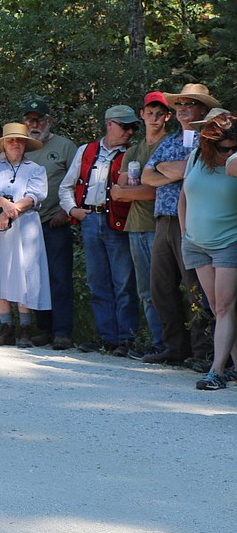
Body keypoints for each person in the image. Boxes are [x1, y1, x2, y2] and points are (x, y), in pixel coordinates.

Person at [139, 83, 218, 367]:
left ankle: (203, 351)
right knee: (161, 286)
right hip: (163, 220)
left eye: (189, 105)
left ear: (203, 109)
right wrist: (173, 170)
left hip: (194, 221)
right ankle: (174, 347)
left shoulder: (210, 139)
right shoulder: (170, 141)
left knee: (196, 286)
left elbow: (190, 170)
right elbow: (148, 175)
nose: (182, 110)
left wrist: (167, 168)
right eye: (179, 105)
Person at [58, 106, 141, 355]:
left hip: (118, 222)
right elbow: (65, 187)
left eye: (132, 127)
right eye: (125, 126)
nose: (129, 132)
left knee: (124, 282)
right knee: (98, 282)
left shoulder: (133, 154)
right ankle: (107, 337)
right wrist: (74, 211)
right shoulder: (86, 150)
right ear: (109, 125)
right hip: (90, 220)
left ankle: (127, 338)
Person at [0, 123, 50, 346]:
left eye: (20, 140)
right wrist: (5, 204)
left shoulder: (36, 169)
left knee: (24, 271)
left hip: (25, 225)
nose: (15, 144)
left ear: (25, 144)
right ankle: (6, 326)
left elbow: (35, 195)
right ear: (3, 143)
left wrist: (10, 211)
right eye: (11, 140)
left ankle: (25, 327)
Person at [111, 92, 170, 359]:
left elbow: (154, 193)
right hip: (135, 225)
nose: (154, 118)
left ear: (167, 116)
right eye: (150, 112)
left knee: (164, 288)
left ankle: (174, 345)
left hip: (162, 224)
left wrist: (130, 191)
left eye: (160, 113)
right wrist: (135, 189)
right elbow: (117, 190)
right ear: (142, 114)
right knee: (145, 290)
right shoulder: (134, 150)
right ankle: (158, 343)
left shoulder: (170, 145)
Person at [182, 112, 237, 389]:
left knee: (226, 306)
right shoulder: (195, 158)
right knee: (217, 307)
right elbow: (183, 198)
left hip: (228, 243)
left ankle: (216, 371)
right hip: (196, 244)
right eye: (222, 147)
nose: (228, 151)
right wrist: (184, 235)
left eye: (232, 146)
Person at [22, 99, 78, 349]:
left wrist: (68, 212)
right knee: (35, 278)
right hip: (27, 224)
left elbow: (78, 182)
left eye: (39, 120)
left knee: (59, 277)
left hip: (56, 221)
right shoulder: (21, 147)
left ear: (49, 121)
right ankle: (43, 328)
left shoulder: (65, 147)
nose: (34, 125)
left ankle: (62, 331)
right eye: (30, 120)